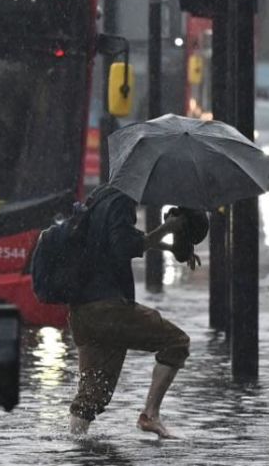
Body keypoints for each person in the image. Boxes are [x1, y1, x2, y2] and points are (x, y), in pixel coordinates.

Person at [67, 187, 202, 439]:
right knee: (176, 342)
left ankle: (74, 447)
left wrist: (168, 247)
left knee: (91, 398)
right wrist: (169, 228)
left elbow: (113, 241)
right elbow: (124, 245)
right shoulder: (121, 202)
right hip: (108, 308)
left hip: (83, 311)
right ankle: (150, 415)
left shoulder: (99, 198)